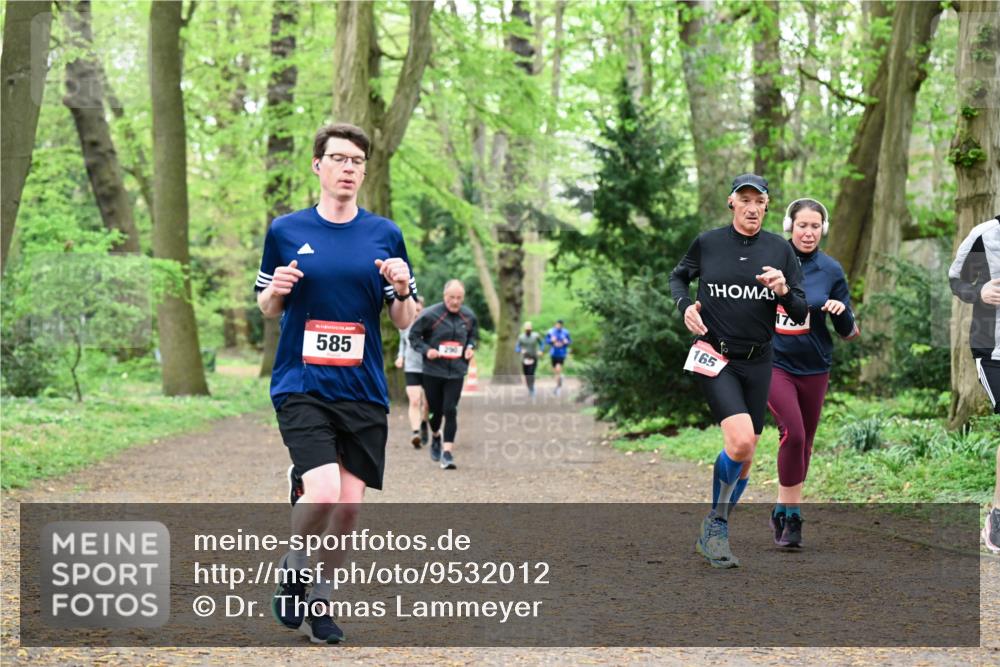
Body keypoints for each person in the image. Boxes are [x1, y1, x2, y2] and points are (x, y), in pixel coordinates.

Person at [255, 122, 418, 643]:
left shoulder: (385, 235)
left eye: (357, 161)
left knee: (347, 508)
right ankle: (294, 569)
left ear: (364, 171)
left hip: (362, 388)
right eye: (339, 159)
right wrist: (276, 290)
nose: (348, 168)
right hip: (302, 383)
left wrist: (401, 289)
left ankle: (320, 601)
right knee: (323, 491)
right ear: (318, 165)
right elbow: (266, 305)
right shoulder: (286, 230)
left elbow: (405, 318)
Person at [668, 173, 807, 568]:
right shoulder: (708, 243)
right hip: (716, 356)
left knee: (745, 456)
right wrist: (685, 307)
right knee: (742, 441)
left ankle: (715, 525)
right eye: (744, 200)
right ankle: (716, 525)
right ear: (731, 202)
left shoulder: (780, 250)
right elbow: (678, 276)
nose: (751, 208)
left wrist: (783, 291)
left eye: (759, 201)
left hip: (759, 361)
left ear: (767, 206)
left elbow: (800, 310)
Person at [766, 198, 860, 548]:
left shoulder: (831, 270)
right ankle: (793, 517)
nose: (808, 232)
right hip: (774, 363)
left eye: (815, 226)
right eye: (802, 225)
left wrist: (840, 312)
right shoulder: (770, 262)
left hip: (814, 366)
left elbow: (849, 332)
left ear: (824, 229)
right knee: (793, 434)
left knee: (804, 443)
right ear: (789, 227)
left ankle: (782, 508)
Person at [948, 215, 1000, 554]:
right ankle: (998, 515)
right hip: (993, 350)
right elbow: (956, 279)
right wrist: (979, 291)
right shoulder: (986, 235)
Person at [409, 279, 478, 470]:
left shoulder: (468, 316)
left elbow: (473, 336)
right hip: (433, 371)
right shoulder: (430, 314)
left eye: (459, 298)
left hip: (456, 371)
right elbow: (413, 336)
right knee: (435, 411)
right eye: (451, 297)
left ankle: (447, 453)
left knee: (451, 409)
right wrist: (427, 350)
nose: (455, 302)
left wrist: (470, 347)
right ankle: (435, 436)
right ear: (444, 296)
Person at [396, 295, 430, 448]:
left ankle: (424, 423)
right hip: (411, 366)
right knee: (414, 400)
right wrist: (400, 357)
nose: (416, 312)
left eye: (419, 310)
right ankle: (415, 433)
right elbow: (402, 343)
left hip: (429, 367)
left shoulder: (429, 324)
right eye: (414, 310)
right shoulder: (405, 325)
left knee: (427, 404)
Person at [516, 321, 544, 398]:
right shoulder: (521, 337)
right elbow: (517, 347)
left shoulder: (536, 336)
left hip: (533, 357)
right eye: (527, 329)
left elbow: (542, 343)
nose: (528, 330)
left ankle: (532, 388)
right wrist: (520, 350)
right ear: (524, 329)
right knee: (526, 374)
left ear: (531, 329)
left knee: (531, 373)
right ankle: (529, 387)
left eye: (529, 329)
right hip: (524, 358)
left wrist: (541, 351)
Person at [544, 319, 572, 395]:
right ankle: (559, 384)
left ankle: (558, 388)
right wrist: (551, 341)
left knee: (558, 369)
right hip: (553, 353)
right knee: (555, 372)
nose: (558, 326)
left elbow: (570, 341)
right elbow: (546, 341)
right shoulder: (551, 331)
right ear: (555, 324)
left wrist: (566, 342)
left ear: (562, 325)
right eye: (557, 324)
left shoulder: (566, 332)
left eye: (560, 325)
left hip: (562, 353)